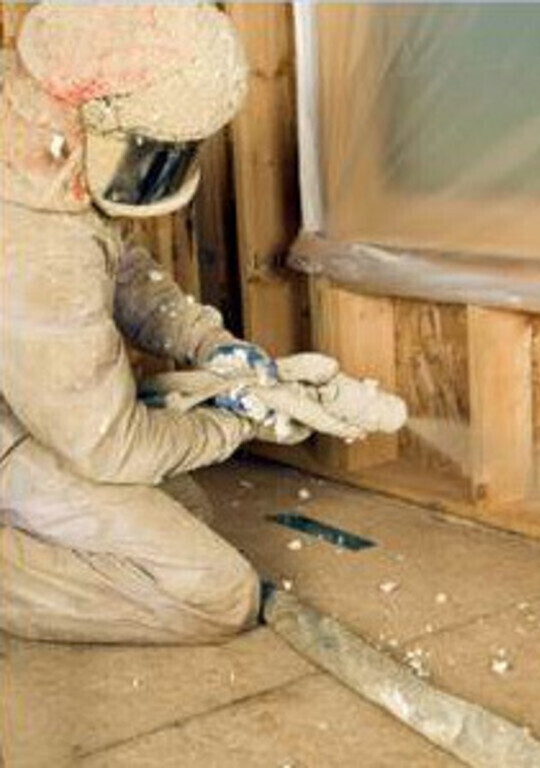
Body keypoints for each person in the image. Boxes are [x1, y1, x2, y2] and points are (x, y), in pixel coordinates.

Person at [0, 4, 336, 643]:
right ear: (104, 123)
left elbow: (115, 264)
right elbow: (109, 447)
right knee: (219, 593)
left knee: (187, 503)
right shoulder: (32, 243)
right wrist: (236, 423)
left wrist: (209, 343)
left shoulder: (34, 128)